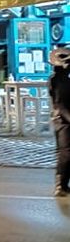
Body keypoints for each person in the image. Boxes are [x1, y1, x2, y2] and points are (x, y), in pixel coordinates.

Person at [47, 48, 70, 197]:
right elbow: (60, 105)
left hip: (65, 118)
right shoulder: (57, 81)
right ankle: (60, 185)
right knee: (65, 153)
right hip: (62, 120)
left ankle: (64, 184)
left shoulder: (65, 80)